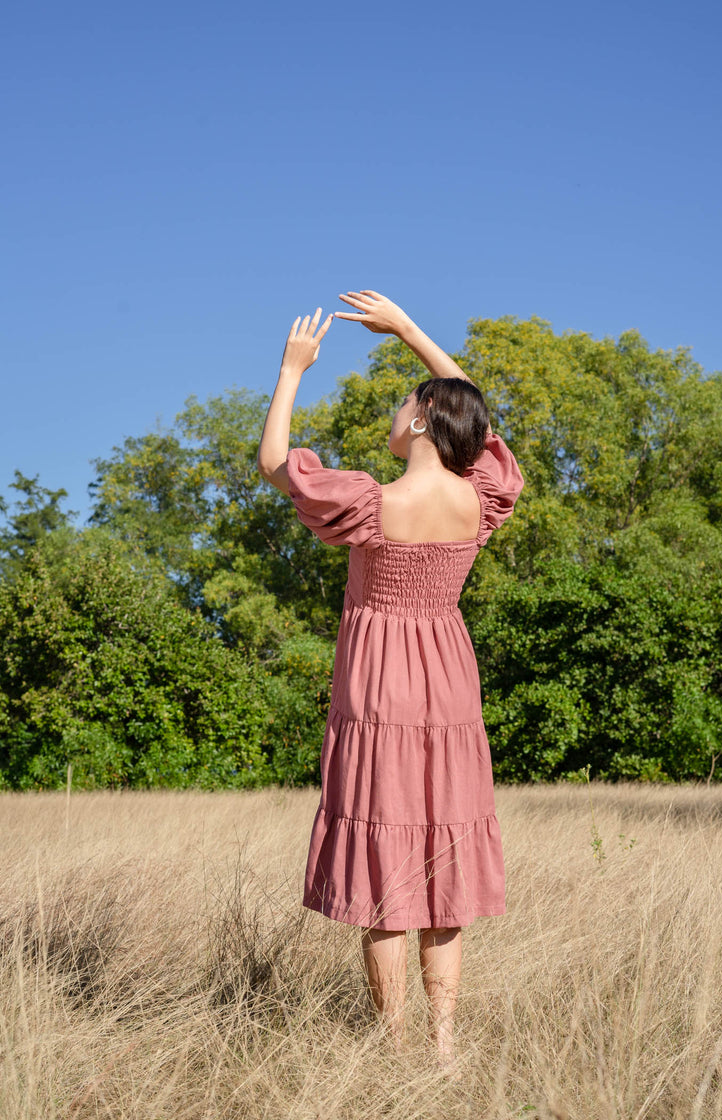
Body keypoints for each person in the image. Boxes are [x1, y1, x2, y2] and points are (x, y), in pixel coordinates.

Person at [257, 291, 524, 1068]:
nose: (395, 406)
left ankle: (395, 1046)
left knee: (388, 873)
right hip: (448, 683)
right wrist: (410, 333)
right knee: (441, 859)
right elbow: (480, 418)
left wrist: (291, 369)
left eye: (403, 400)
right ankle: (442, 1047)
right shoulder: (480, 500)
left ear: (417, 424)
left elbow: (275, 463)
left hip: (379, 689)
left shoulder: (373, 503)